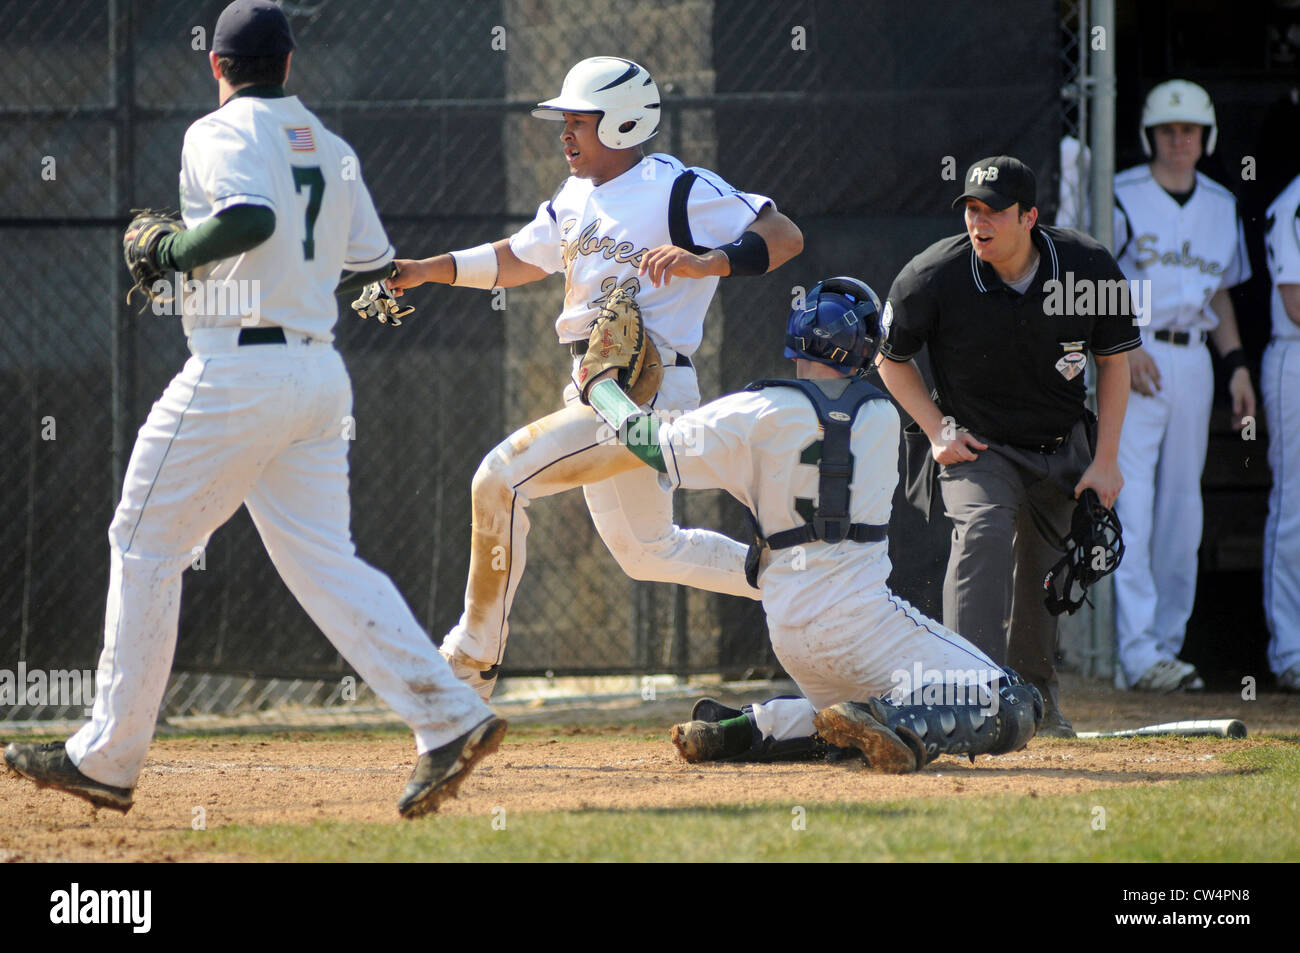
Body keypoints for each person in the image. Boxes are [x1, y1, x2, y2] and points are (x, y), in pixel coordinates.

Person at [2, 0, 503, 819]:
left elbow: (249, 218)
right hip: (316, 372)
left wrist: (168, 252)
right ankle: (449, 716)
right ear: (290, 63)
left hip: (239, 370)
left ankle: (107, 755)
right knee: (325, 562)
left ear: (217, 64)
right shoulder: (332, 146)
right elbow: (370, 263)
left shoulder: (216, 130)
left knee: (143, 541)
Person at [385, 56, 803, 700]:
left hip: (646, 391)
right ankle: (795, 576)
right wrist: (426, 268)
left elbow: (783, 235)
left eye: (578, 120)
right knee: (647, 551)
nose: (564, 133)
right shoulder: (575, 195)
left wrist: (712, 261)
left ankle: (470, 663)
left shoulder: (679, 189)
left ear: (625, 122)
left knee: (500, 479)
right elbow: (517, 259)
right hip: (592, 384)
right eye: (565, 120)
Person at [580, 277, 1042, 771]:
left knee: (837, 713)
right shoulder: (883, 414)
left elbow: (655, 446)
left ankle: (740, 732)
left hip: (789, 631)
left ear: (796, 335)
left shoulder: (756, 410)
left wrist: (601, 388)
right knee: (1013, 699)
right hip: (862, 623)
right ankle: (887, 722)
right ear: (864, 352)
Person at [875, 156, 1139, 737]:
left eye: (994, 211)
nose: (980, 222)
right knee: (985, 534)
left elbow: (1114, 363)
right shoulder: (934, 275)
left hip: (1061, 442)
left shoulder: (1086, 267)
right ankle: (968, 696)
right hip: (979, 444)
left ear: (1030, 218)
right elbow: (890, 361)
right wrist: (938, 428)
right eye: (972, 210)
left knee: (1045, 574)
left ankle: (1035, 705)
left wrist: (1106, 459)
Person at [1111, 80, 1255, 692]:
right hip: (1133, 359)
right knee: (1133, 504)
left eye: (1190, 131)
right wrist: (1126, 343)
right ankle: (1136, 652)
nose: (1179, 140)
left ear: (1207, 138)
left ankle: (1168, 647)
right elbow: (1091, 278)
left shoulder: (1221, 204)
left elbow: (1219, 291)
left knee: (1182, 509)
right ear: (1150, 136)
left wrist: (1238, 363)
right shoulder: (1119, 193)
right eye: (1168, 131)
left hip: (1193, 358)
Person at [1262, 172, 1300, 692]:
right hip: (1295, 355)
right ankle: (1291, 649)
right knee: (1295, 508)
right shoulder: (1294, 200)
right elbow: (1296, 302)